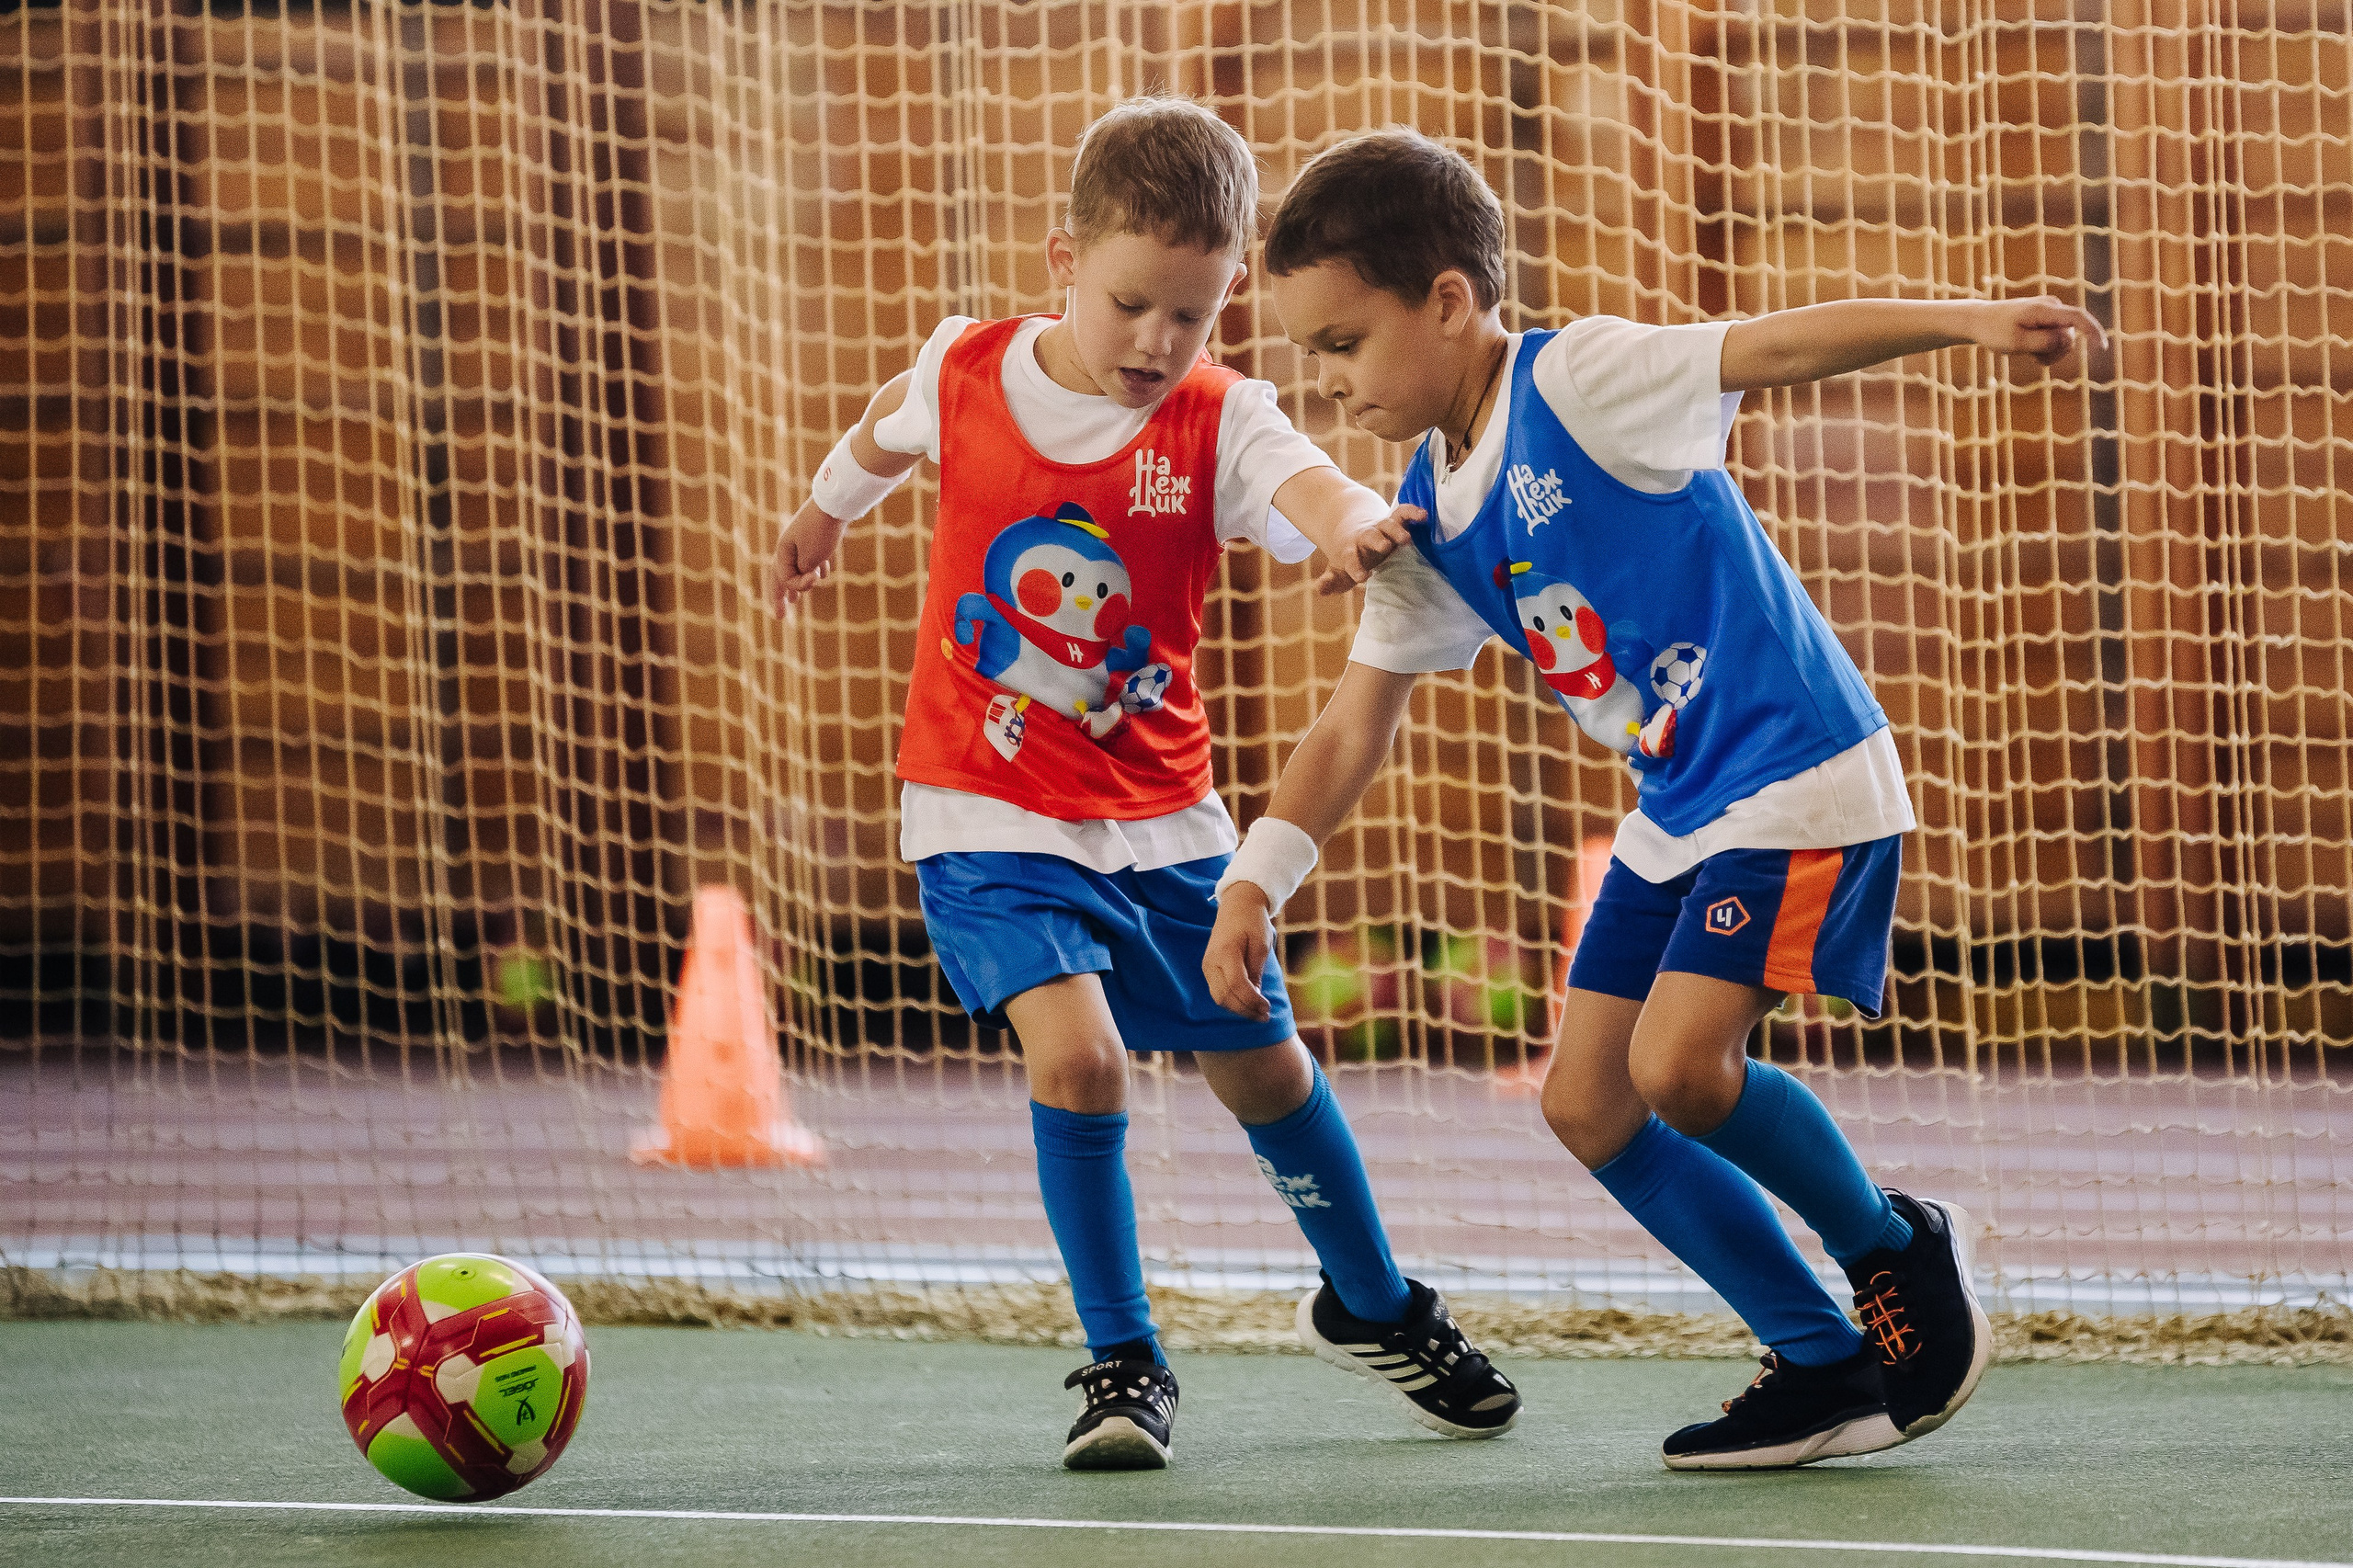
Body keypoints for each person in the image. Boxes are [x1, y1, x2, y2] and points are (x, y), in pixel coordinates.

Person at [1205, 128, 2103, 1470]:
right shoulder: (1419, 513)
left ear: (1448, 301)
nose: (1323, 383)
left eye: (1342, 343)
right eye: (1309, 355)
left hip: (1796, 769)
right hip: (1681, 806)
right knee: (1589, 1101)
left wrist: (1967, 321)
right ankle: (1822, 1361)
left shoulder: (1581, 379)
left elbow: (1774, 344)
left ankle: (1899, 1251)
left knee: (1681, 1067)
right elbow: (1354, 720)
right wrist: (1253, 879)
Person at [767, 100, 1520, 1471]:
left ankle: (1375, 1302)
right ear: (1064, 256)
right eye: (1130, 305)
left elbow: (1308, 486)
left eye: (1193, 314)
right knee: (1083, 1057)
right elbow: (886, 428)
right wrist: (822, 511)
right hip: (982, 812)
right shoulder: (968, 368)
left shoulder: (1220, 417)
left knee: (1265, 1067)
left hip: (1166, 825)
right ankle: (1125, 1361)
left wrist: (1365, 530)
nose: (1155, 343)